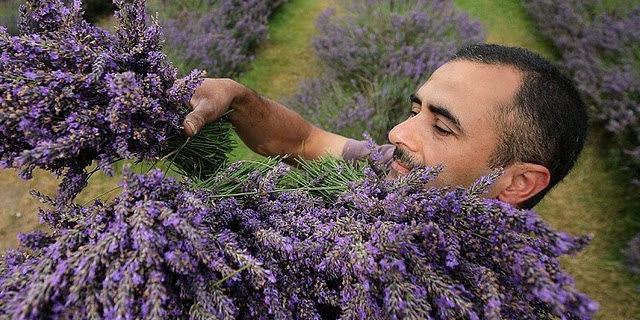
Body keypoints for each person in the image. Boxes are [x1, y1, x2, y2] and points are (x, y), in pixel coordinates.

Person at [183, 44, 588, 209]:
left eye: (443, 128)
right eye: (416, 111)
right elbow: (304, 141)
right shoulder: (393, 169)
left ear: (517, 184)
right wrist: (238, 98)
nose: (397, 134)